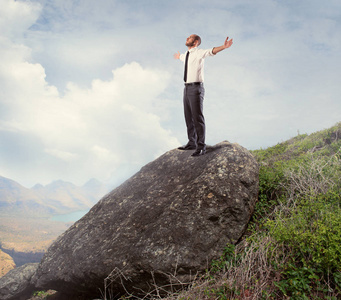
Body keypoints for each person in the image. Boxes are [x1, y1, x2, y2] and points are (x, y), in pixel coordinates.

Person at [174, 34, 233, 156]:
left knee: (197, 117)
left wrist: (224, 46)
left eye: (190, 38)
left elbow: (211, 51)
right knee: (188, 116)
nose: (186, 38)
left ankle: (201, 146)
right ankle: (192, 142)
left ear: (195, 42)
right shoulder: (186, 55)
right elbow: (182, 58)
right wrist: (178, 56)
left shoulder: (199, 52)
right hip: (186, 88)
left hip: (196, 88)